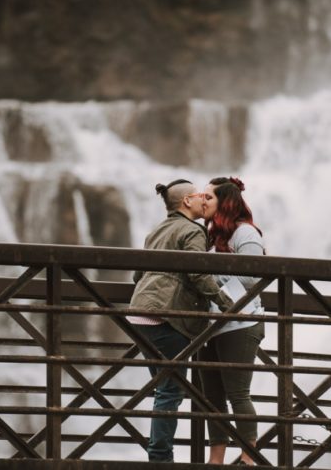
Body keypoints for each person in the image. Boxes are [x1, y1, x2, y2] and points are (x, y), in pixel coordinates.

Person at [129, 179, 235, 462]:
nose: (205, 200)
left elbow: (137, 276)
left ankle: (160, 454)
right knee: (170, 392)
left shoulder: (157, 231)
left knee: (164, 389)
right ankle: (160, 458)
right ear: (187, 201)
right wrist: (228, 304)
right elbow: (198, 274)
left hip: (139, 315)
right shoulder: (192, 231)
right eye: (201, 195)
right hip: (166, 318)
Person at [199, 176, 266, 465]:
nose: (203, 201)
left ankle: (248, 458)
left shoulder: (245, 234)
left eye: (209, 197)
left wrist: (208, 278)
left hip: (241, 323)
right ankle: (216, 460)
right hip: (212, 325)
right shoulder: (216, 237)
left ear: (224, 203)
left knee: (238, 393)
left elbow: (252, 276)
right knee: (211, 397)